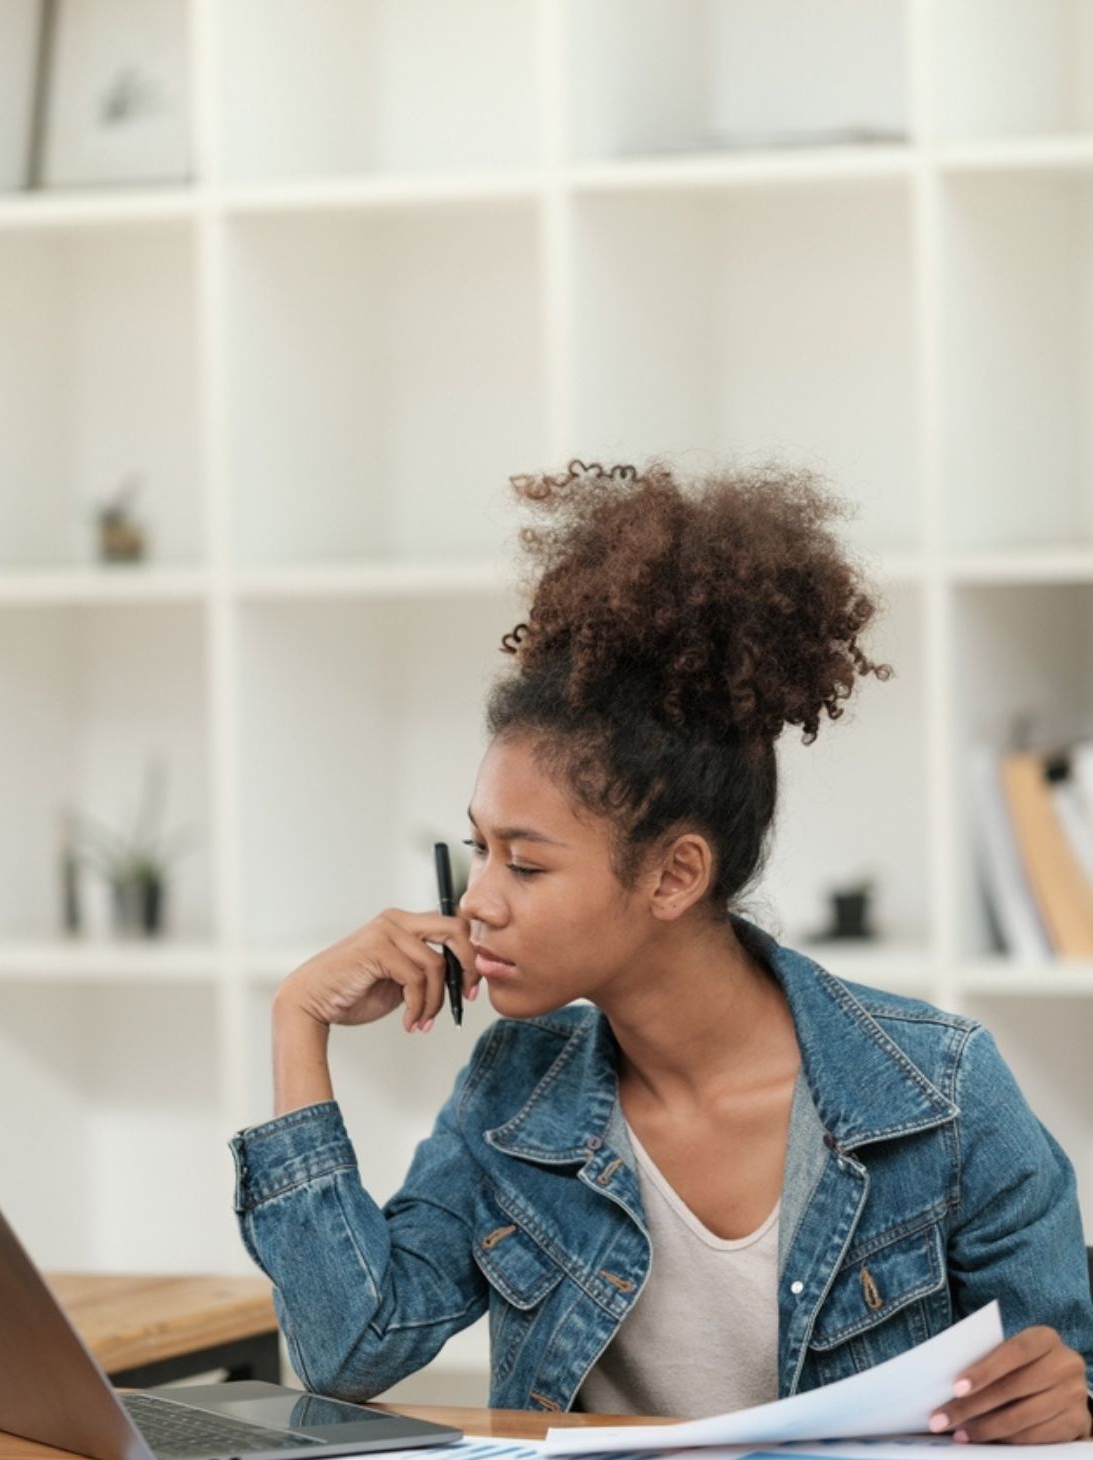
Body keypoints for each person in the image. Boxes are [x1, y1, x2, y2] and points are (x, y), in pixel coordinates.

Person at [229, 459, 1093, 1437]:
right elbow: (351, 1347)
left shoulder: (935, 1092)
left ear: (673, 875)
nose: (475, 902)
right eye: (478, 848)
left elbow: (1063, 1373)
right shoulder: (515, 1087)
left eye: (525, 862)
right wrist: (297, 1022)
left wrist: (1070, 1398)